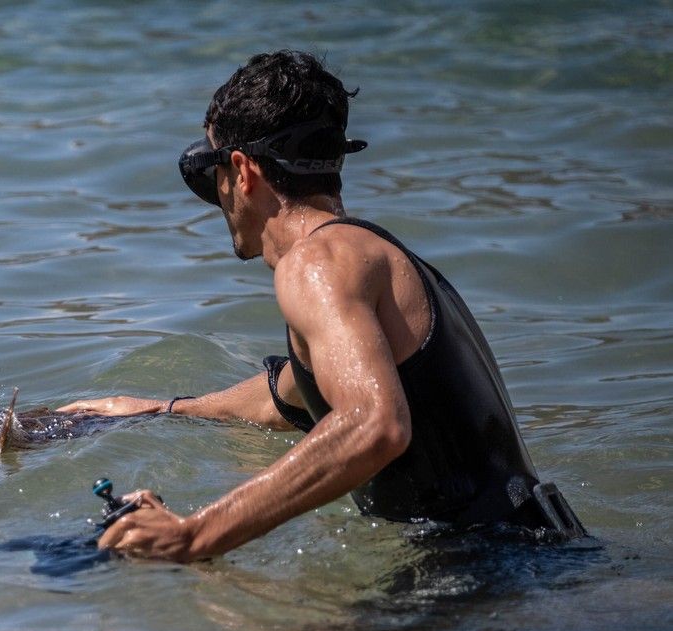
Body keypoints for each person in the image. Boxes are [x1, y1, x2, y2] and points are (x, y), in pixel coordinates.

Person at [56, 50, 583, 562]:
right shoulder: (367, 255)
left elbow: (374, 424)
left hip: (488, 575)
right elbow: (287, 395)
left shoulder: (317, 262)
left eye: (209, 173)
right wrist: (152, 410)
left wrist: (195, 534)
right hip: (536, 555)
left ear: (242, 171)